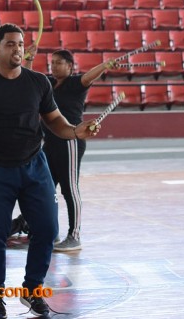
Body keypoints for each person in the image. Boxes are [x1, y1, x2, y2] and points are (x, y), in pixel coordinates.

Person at [0, 23, 101, 318]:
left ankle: (32, 289)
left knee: (47, 229)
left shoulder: (38, 82)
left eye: (20, 44)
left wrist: (75, 131)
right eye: (10, 44)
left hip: (34, 165)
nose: (17, 49)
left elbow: (55, 121)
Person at [32, 48, 114, 252]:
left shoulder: (75, 83)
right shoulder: (48, 83)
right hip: (49, 143)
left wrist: (104, 66)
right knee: (45, 188)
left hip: (70, 141)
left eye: (59, 62)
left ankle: (74, 236)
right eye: (52, 62)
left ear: (70, 66)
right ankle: (51, 232)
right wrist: (29, 59)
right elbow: (29, 80)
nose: (54, 66)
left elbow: (89, 77)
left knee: (69, 188)